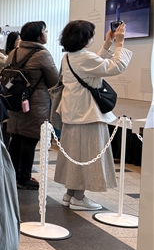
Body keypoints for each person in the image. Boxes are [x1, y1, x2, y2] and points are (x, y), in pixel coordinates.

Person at [54, 20, 132, 210]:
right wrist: (120, 43)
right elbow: (116, 66)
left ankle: (70, 195)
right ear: (84, 38)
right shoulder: (84, 57)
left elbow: (94, 65)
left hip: (73, 113)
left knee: (75, 156)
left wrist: (107, 44)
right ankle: (78, 198)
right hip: (87, 115)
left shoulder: (69, 57)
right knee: (86, 157)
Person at [6, 21, 59, 190]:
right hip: (34, 104)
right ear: (38, 35)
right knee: (30, 139)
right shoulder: (42, 54)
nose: (46, 33)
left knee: (16, 138)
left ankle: (12, 175)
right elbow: (54, 80)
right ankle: (24, 178)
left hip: (15, 101)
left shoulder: (14, 52)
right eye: (45, 31)